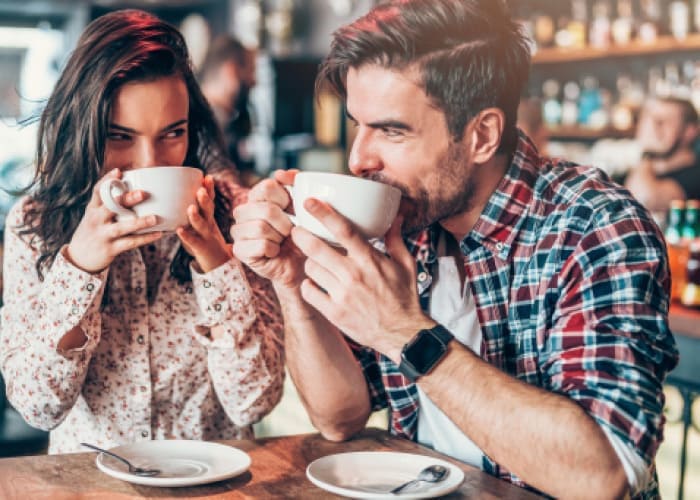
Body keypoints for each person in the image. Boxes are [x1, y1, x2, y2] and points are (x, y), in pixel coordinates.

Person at [230, 0, 678, 498]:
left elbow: (604, 475)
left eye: (392, 130)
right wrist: (293, 282)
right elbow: (339, 417)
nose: (359, 158)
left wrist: (405, 332)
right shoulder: (404, 221)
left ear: (481, 135)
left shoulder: (594, 226)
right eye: (359, 125)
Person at [0, 10, 284, 454]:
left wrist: (217, 266)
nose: (151, 163)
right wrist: (80, 268)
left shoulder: (237, 214)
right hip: (90, 486)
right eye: (120, 136)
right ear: (82, 131)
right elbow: (38, 407)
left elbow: (253, 403)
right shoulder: (36, 223)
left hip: (213, 483)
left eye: (173, 133)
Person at [198, 35, 259, 187]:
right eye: (251, 71)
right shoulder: (204, 122)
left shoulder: (225, 120)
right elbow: (225, 185)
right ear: (231, 71)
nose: (254, 82)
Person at [625, 96, 700, 214]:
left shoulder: (695, 175)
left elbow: (644, 200)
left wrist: (647, 153)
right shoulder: (647, 171)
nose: (652, 128)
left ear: (689, 131)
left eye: (663, 121)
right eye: (649, 120)